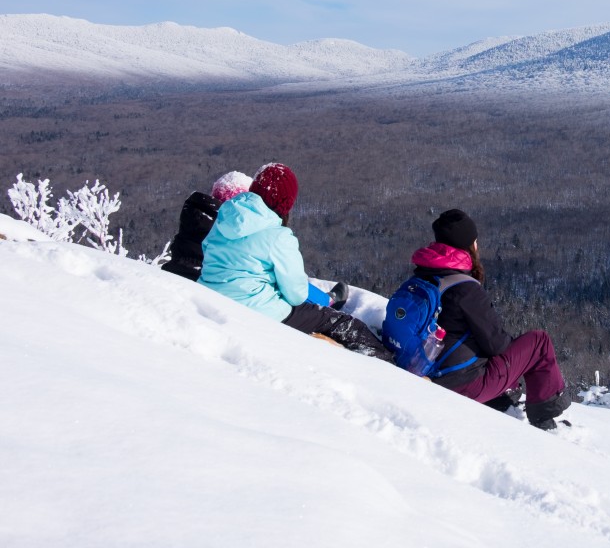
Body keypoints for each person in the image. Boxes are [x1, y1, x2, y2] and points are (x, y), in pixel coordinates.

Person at [198, 163, 389, 360]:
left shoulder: (223, 218)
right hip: (258, 311)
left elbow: (207, 251)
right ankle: (387, 364)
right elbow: (297, 295)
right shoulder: (279, 236)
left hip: (211, 299)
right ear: (285, 202)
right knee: (342, 324)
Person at [406, 209, 571, 430]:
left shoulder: (423, 277)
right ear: (468, 245)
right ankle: (544, 417)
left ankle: (503, 399)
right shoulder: (465, 288)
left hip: (427, 372)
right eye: (475, 240)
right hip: (461, 386)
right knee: (538, 343)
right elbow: (497, 345)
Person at [162, 170, 345, 309]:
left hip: (179, 278)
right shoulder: (232, 231)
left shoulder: (196, 219)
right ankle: (325, 301)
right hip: (220, 293)